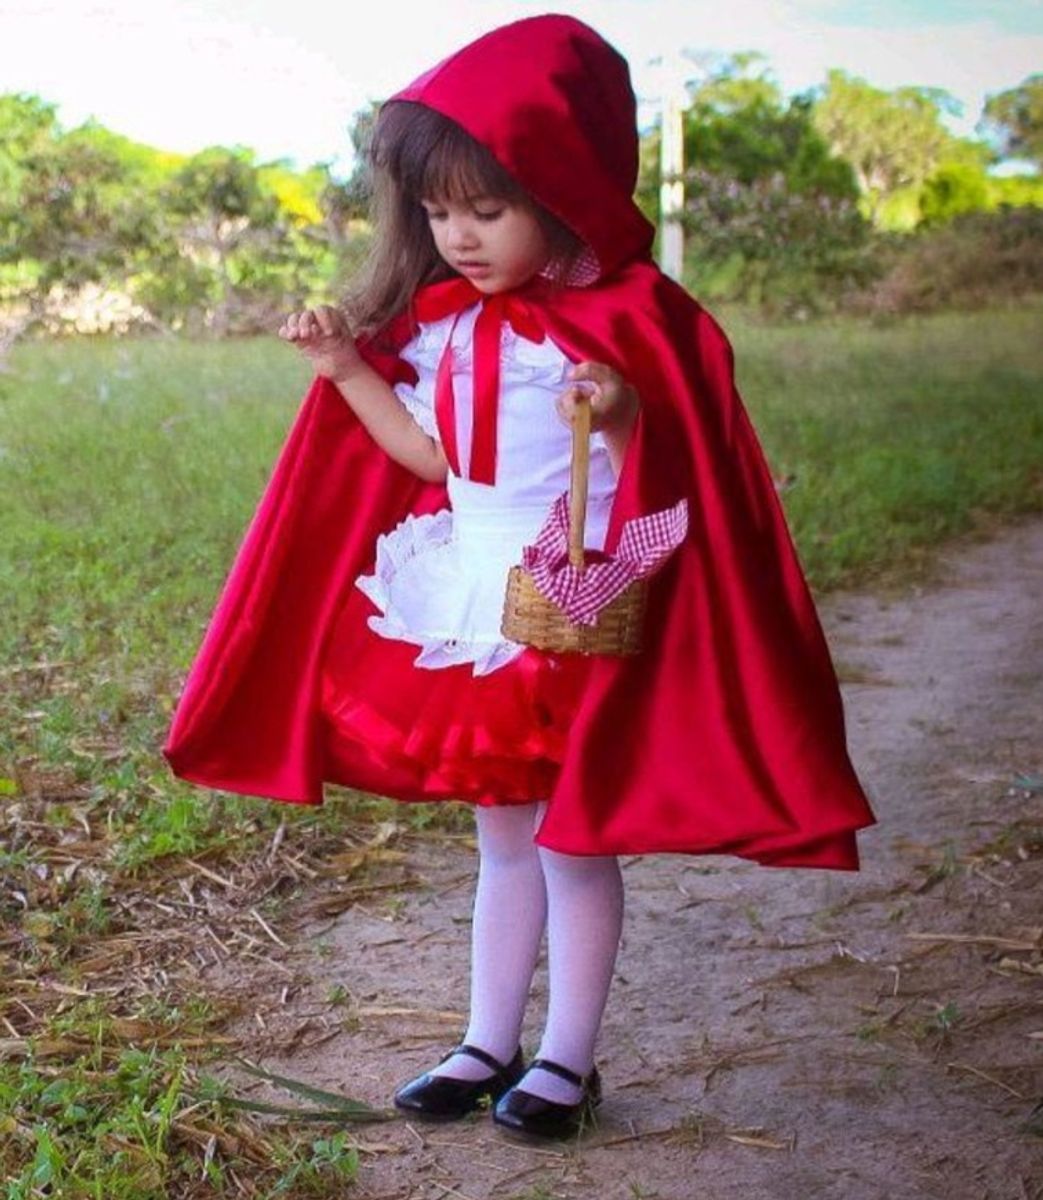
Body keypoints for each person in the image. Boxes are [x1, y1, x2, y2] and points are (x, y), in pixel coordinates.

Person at [163, 14, 877, 1142]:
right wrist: (345, 366)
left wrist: (617, 401)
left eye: (485, 208)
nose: (456, 235)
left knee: (573, 839)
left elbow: (667, 447)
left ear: (562, 188)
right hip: (477, 601)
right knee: (504, 840)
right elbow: (431, 461)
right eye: (437, 211)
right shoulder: (442, 331)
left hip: (578, 598)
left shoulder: (626, 323)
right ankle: (482, 1037)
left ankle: (563, 1059)